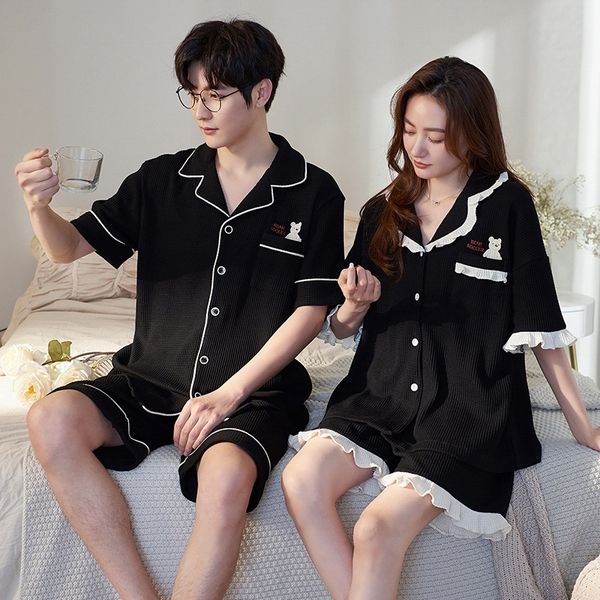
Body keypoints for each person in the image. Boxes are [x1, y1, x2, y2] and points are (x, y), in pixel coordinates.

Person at [15, 19, 345, 600]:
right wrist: (38, 206)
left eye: (215, 95)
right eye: (192, 94)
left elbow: (312, 311)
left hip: (253, 392)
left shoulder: (313, 192)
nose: (200, 110)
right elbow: (67, 249)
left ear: (261, 92)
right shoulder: (162, 180)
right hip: (151, 375)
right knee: (51, 419)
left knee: (229, 477)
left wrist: (228, 395)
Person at [281, 56, 600, 600]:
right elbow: (341, 327)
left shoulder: (507, 205)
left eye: (435, 136)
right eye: (409, 131)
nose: (418, 148)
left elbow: (540, 323)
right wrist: (354, 306)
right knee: (300, 480)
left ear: (472, 134)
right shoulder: (382, 211)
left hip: (466, 409)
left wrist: (583, 427)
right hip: (378, 397)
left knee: (376, 528)